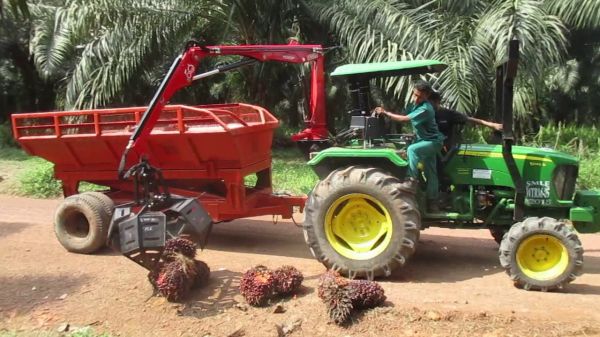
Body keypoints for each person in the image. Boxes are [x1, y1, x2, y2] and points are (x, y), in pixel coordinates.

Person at [374, 80, 444, 213]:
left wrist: (386, 113)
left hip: (433, 142)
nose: (416, 98)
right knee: (431, 172)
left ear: (427, 96)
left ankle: (410, 181)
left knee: (412, 150)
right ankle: (432, 203)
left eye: (420, 96)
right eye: (414, 95)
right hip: (424, 141)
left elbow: (404, 119)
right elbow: (402, 113)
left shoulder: (426, 108)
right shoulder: (415, 105)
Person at [429, 91, 502, 151]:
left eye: (430, 103)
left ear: (437, 102)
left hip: (446, 151)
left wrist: (492, 125)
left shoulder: (448, 114)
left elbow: (469, 119)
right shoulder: (424, 114)